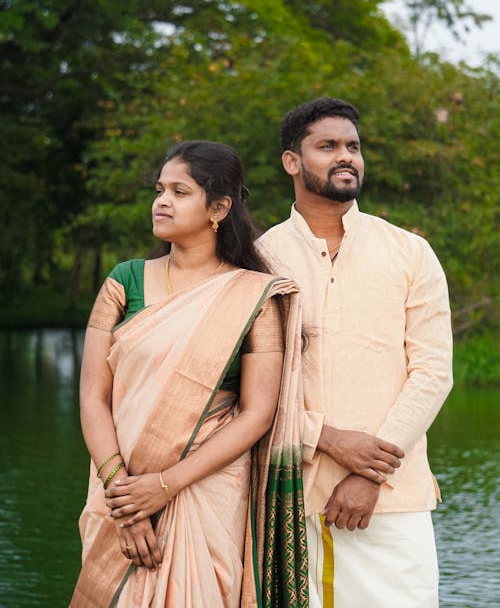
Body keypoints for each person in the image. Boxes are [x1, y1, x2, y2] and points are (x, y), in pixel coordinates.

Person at [70, 140, 308, 608]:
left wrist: (165, 486)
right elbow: (92, 396)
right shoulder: (125, 281)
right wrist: (126, 497)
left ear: (219, 207)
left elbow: (258, 414)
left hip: (205, 492)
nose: (162, 201)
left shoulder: (255, 297)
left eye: (180, 192)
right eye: (160, 189)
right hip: (118, 492)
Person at [257, 97, 453, 608]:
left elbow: (432, 373)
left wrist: (369, 472)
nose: (347, 157)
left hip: (392, 502)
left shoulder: (410, 252)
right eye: (328, 146)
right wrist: (325, 437)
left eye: (353, 146)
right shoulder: (259, 261)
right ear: (291, 161)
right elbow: (241, 387)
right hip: (287, 498)